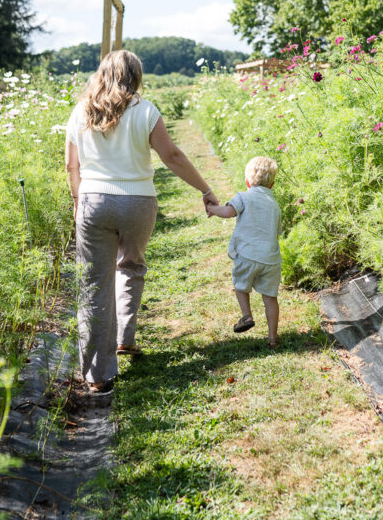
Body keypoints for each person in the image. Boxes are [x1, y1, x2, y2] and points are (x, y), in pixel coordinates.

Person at [65, 49, 219, 394]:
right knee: (131, 266)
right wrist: (205, 189)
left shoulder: (80, 111)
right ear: (135, 76)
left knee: (93, 285)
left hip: (93, 201)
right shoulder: (145, 110)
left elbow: (71, 166)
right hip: (138, 202)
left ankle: (97, 376)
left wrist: (78, 203)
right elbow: (172, 156)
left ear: (103, 73)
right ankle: (124, 338)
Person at [206, 156, 282, 349]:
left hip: (248, 255)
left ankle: (247, 315)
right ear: (272, 185)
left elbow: (227, 213)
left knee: (241, 286)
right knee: (270, 298)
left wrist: (212, 209)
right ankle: (272, 338)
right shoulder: (275, 205)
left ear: (247, 182)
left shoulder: (243, 197)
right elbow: (278, 232)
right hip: (271, 259)